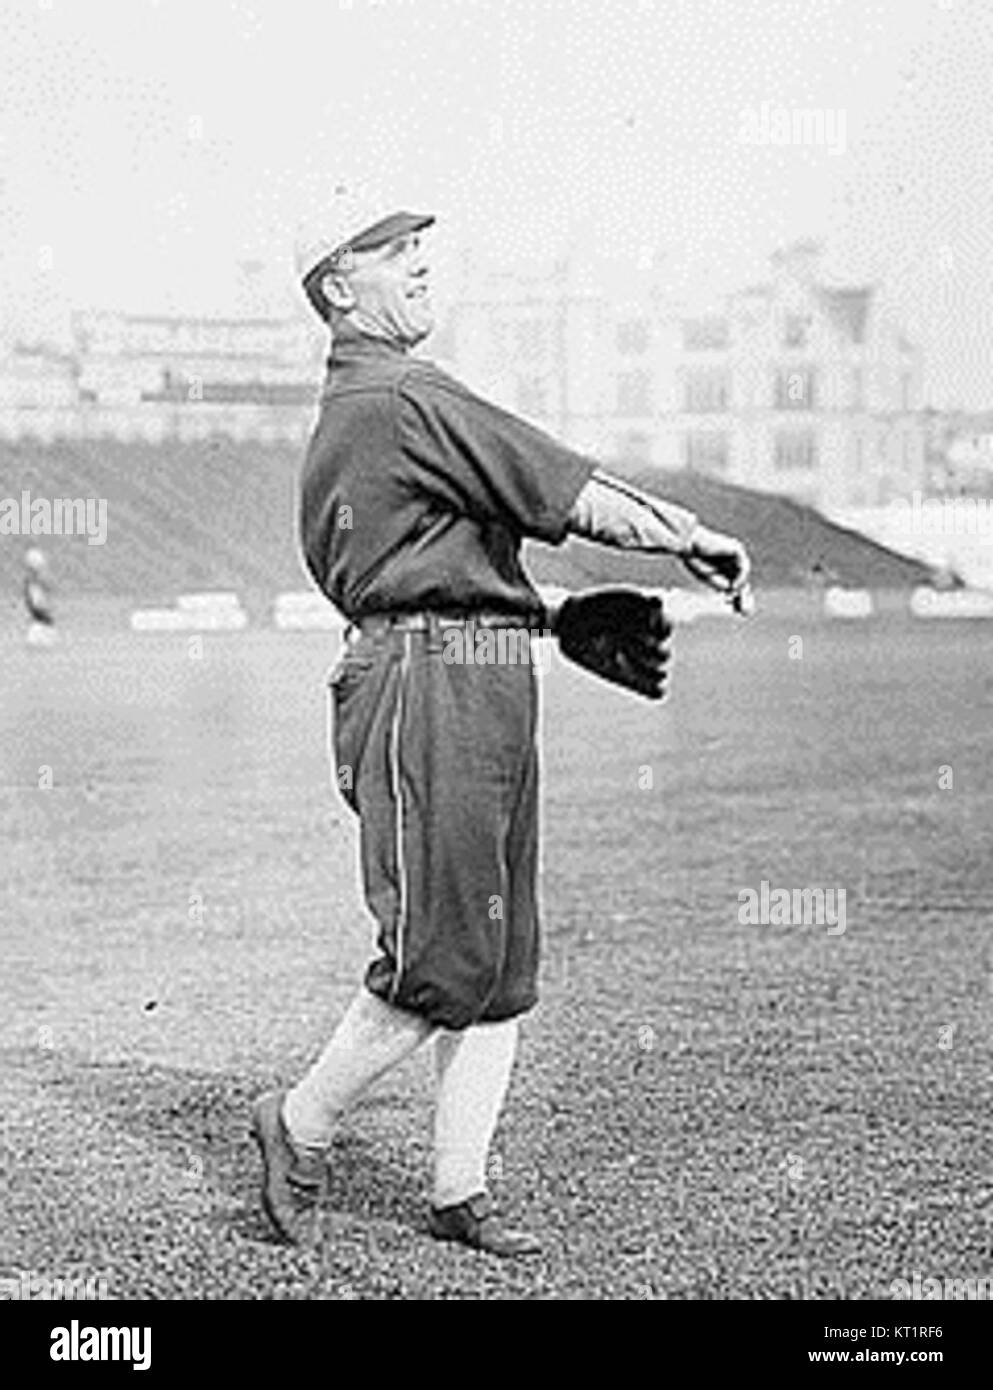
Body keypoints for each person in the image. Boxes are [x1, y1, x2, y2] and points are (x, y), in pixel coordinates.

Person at [251, 188, 750, 1255]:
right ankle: (299, 1121)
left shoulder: (367, 410)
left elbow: (426, 567)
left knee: (501, 956)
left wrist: (550, 613)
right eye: (391, 251)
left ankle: (457, 1188)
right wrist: (688, 536)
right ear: (340, 288)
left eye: (420, 244)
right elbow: (560, 489)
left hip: (469, 668)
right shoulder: (396, 394)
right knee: (440, 952)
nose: (421, 261)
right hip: (429, 684)